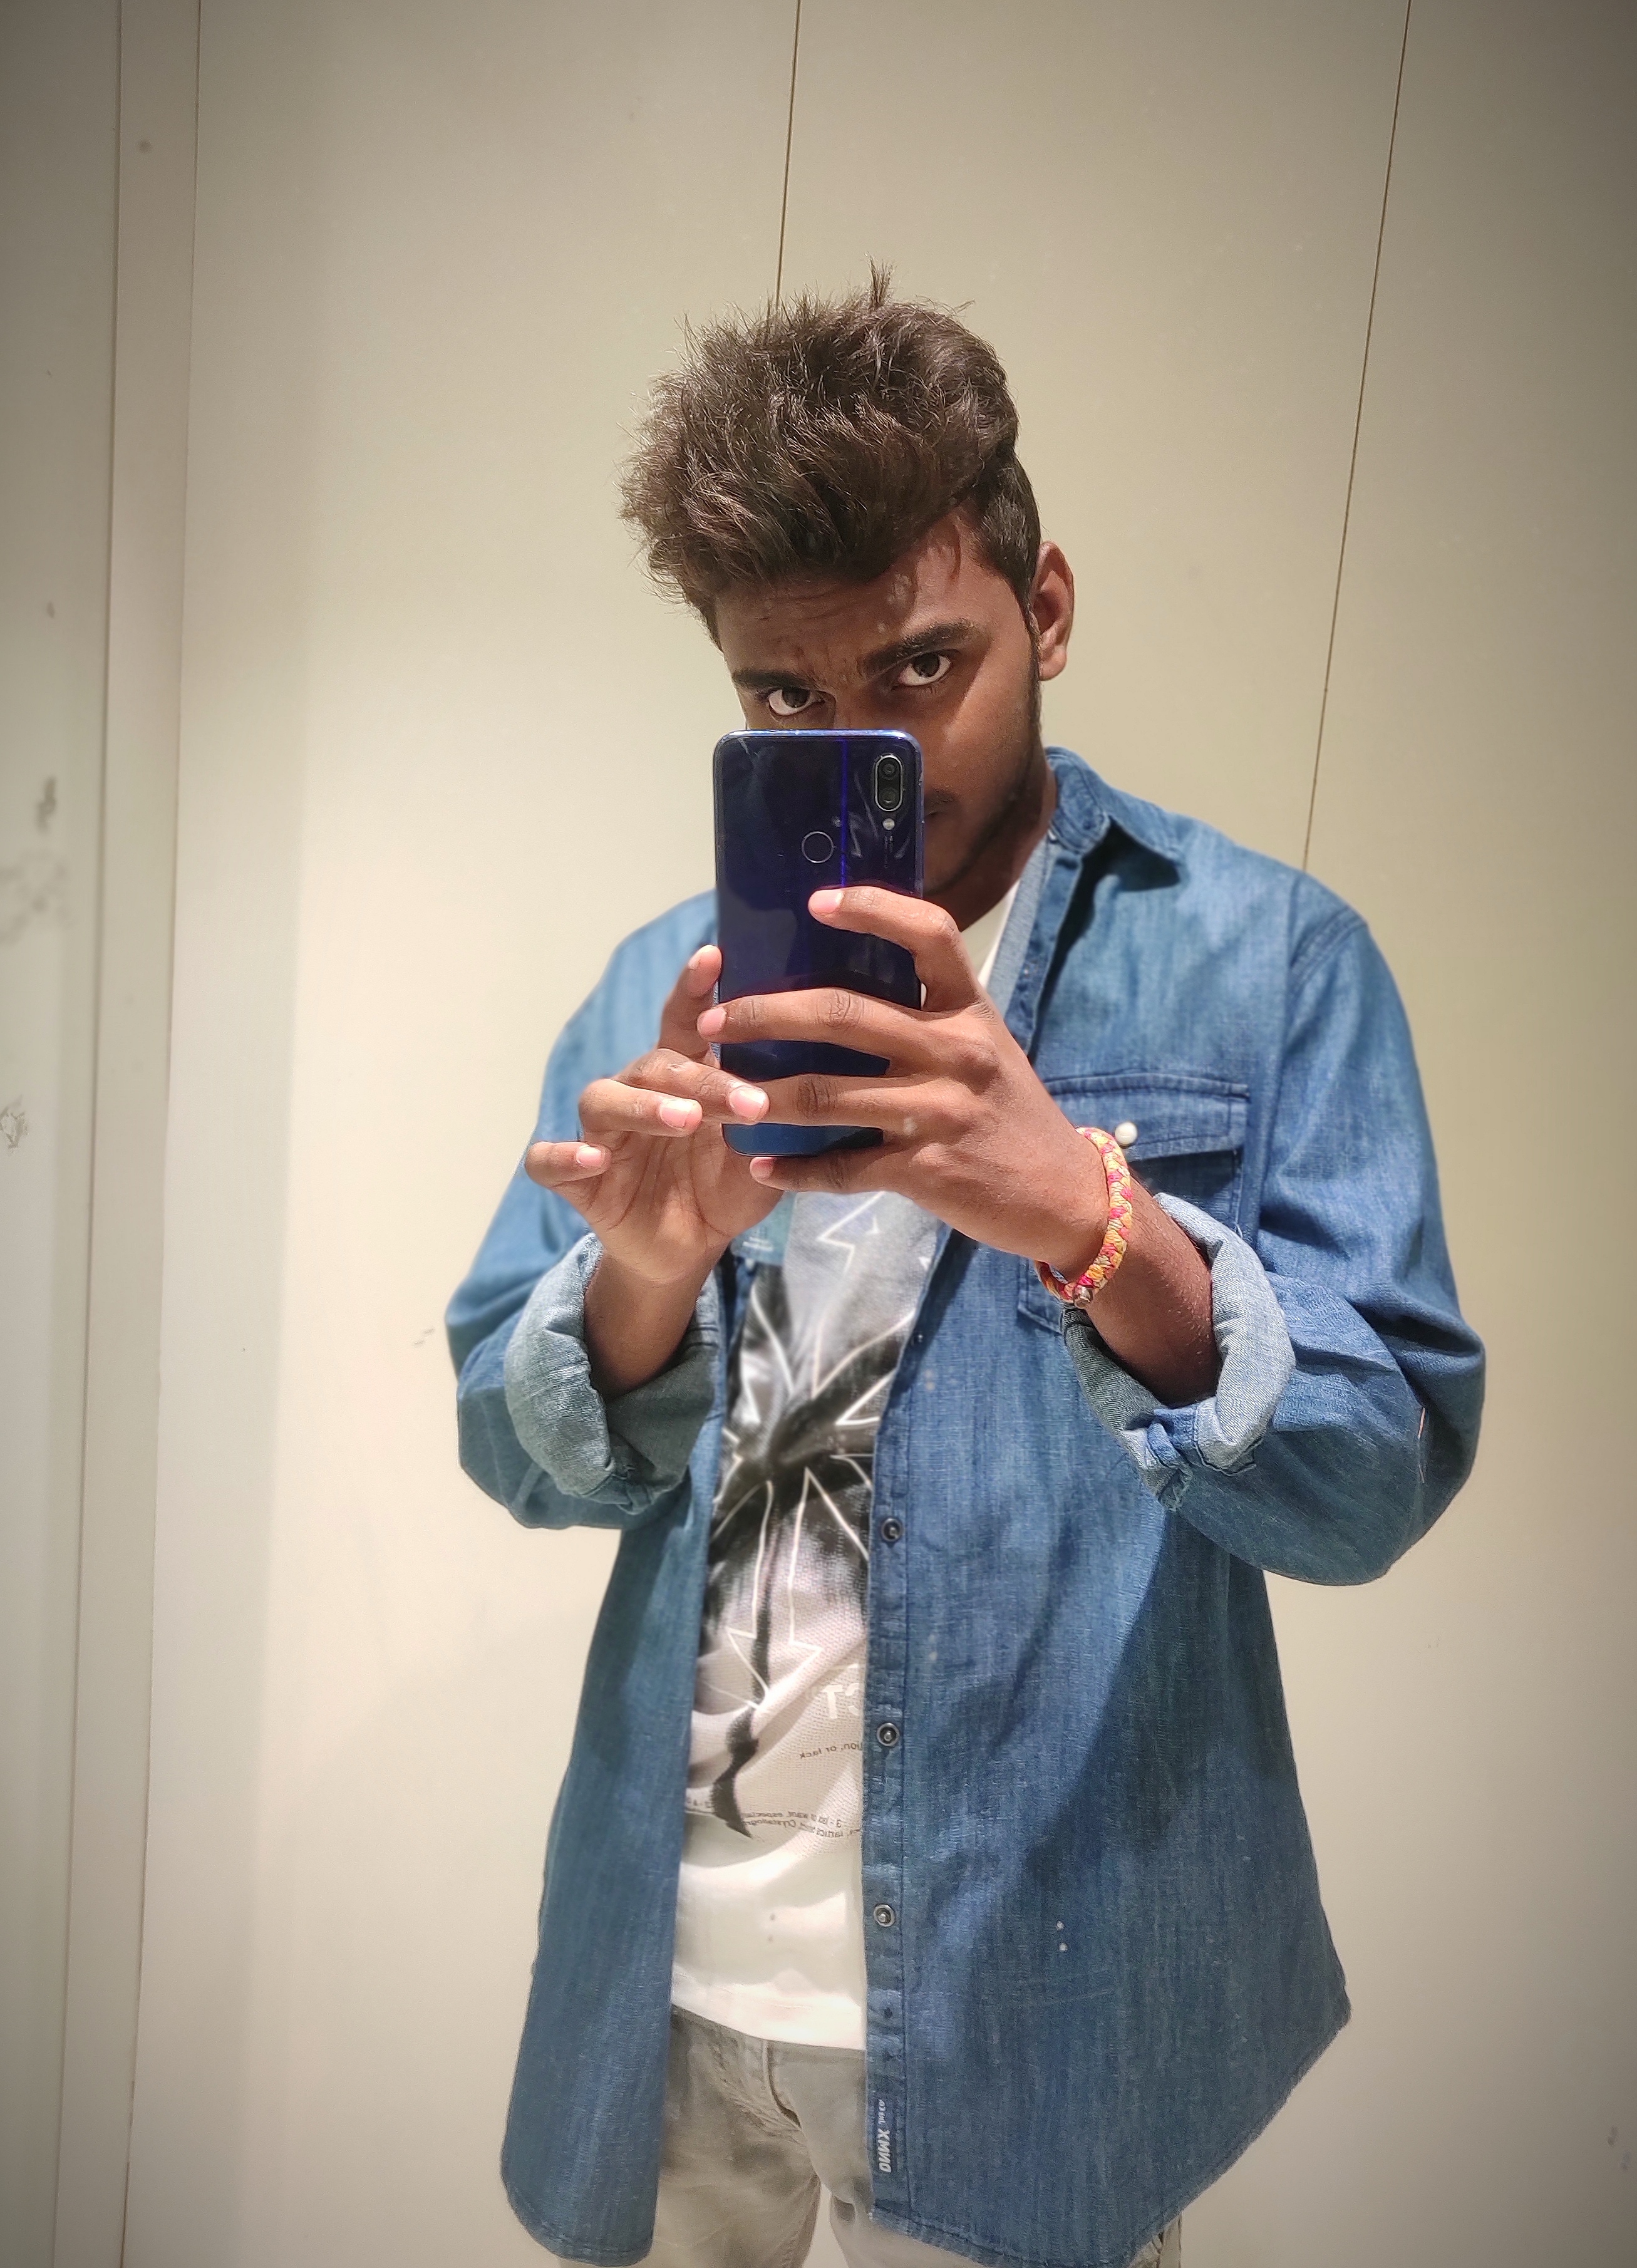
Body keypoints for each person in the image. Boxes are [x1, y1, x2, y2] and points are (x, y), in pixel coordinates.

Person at [446, 273, 1484, 2268]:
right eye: (783, 699)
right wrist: (642, 1289)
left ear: (1050, 608)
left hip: (1041, 1998)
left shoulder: (1270, 963)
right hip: (662, 1985)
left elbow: (1372, 1479)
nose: (863, 746)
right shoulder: (667, 982)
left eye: (923, 667)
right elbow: (514, 1447)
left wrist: (1092, 1223)